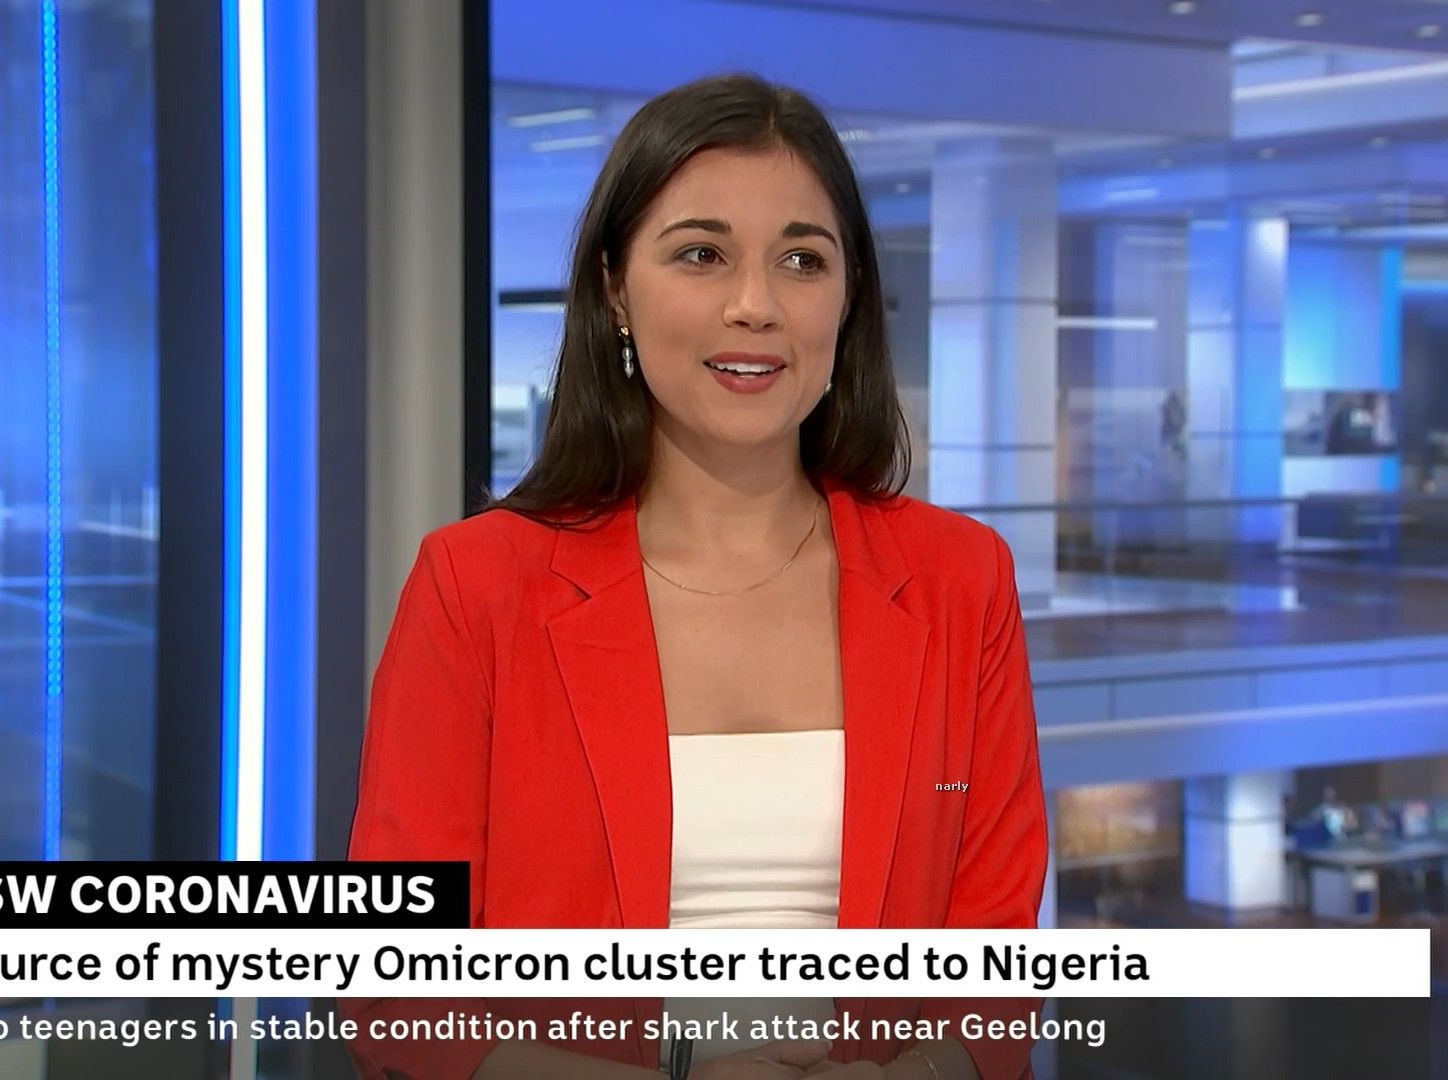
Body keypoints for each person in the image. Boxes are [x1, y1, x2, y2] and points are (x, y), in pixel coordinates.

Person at [344, 74, 1047, 1080]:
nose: (754, 305)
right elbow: (399, 991)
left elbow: (996, 969)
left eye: (802, 260)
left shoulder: (960, 580)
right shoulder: (476, 586)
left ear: (848, 296)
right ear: (615, 289)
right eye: (701, 255)